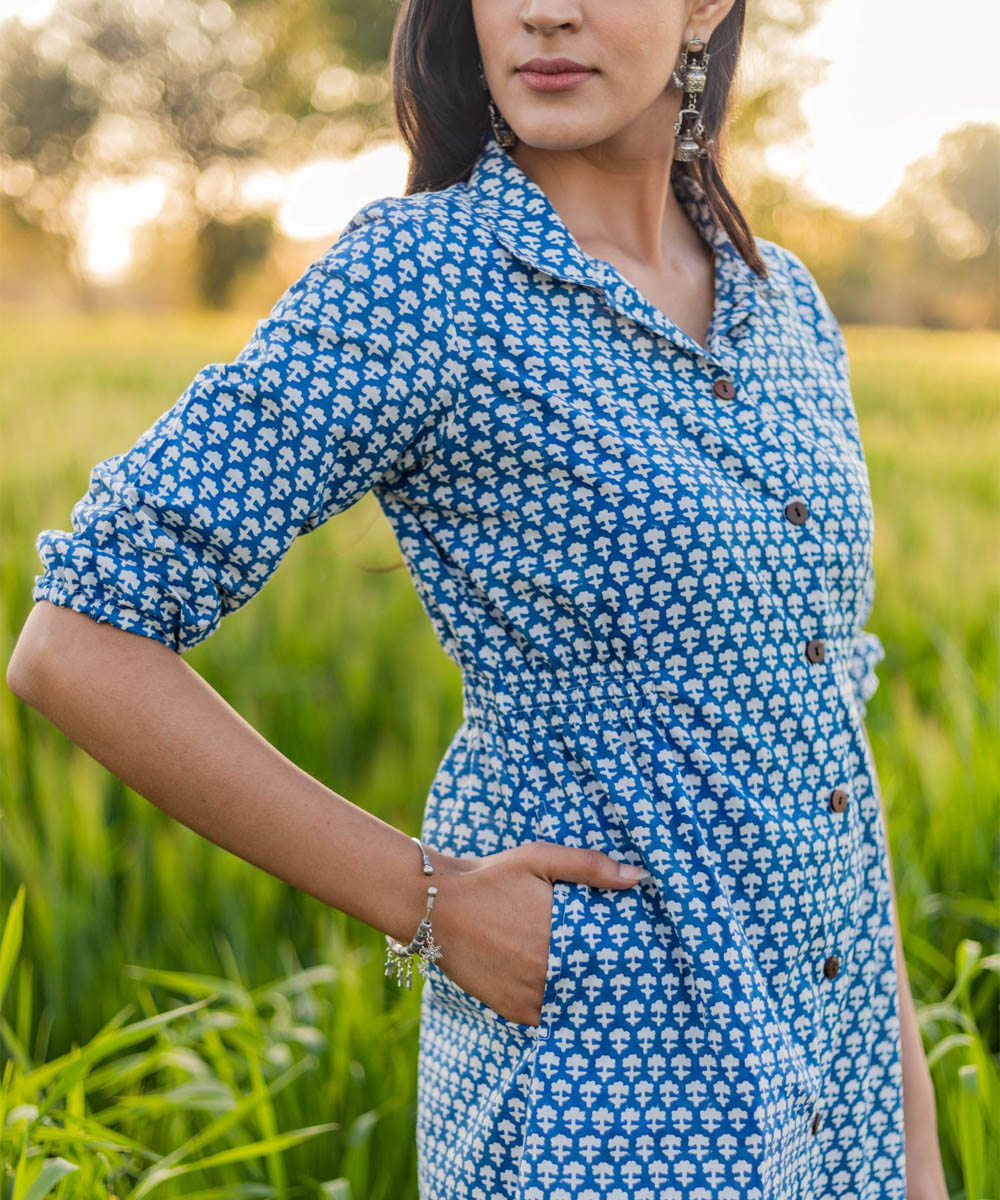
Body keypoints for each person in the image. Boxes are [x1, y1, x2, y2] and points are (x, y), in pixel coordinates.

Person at [6, 0, 951, 1197]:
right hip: (610, 1092)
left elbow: (825, 742)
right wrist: (427, 901)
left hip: (835, 1089)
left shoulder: (787, 309)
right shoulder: (426, 280)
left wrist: (911, 1148)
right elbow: (81, 639)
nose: (543, 11)